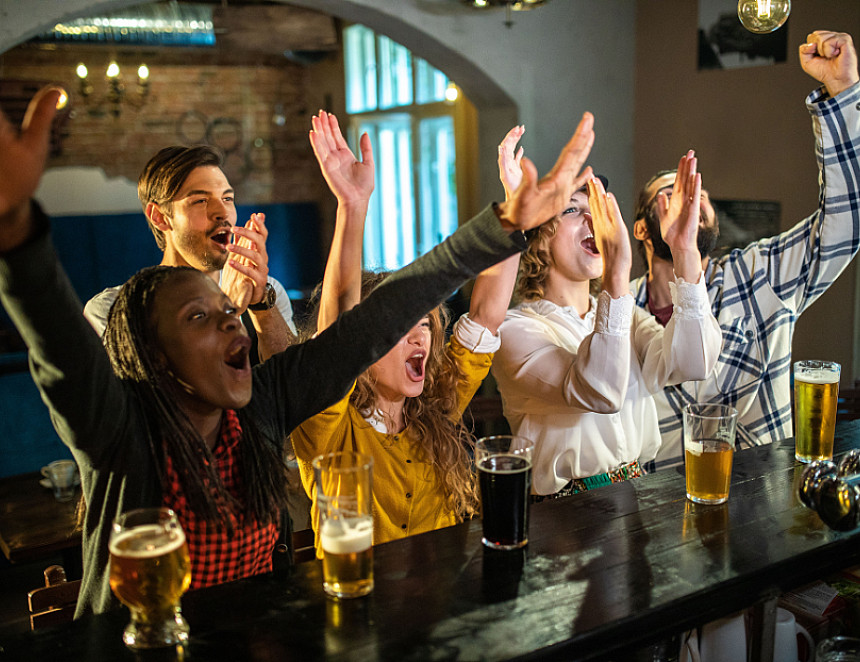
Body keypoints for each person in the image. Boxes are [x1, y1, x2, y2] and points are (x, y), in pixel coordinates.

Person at [0, 87, 595, 615]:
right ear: (155, 353)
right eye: (201, 317)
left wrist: (502, 227)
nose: (235, 328)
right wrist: (16, 231)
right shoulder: (120, 434)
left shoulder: (262, 408)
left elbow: (375, 320)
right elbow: (61, 352)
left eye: (231, 314)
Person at [630, 30, 860, 470]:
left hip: (766, 510)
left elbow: (846, 225)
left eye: (698, 193)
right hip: (659, 520)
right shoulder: (618, 310)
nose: (691, 201)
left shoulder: (758, 273)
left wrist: (845, 94)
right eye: (672, 194)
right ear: (642, 229)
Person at [291, 112, 518, 548]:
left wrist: (514, 209)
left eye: (425, 325)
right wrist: (352, 206)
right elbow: (337, 340)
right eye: (399, 330)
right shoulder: (330, 431)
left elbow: (486, 316)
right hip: (360, 603)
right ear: (365, 347)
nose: (420, 338)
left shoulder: (435, 406)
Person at [489, 128, 722, 498]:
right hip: (564, 515)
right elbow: (599, 393)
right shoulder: (515, 330)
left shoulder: (626, 316)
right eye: (572, 210)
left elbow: (694, 364)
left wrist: (684, 252)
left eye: (595, 211)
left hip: (637, 497)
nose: (592, 221)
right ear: (539, 236)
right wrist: (616, 275)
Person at [83, 144, 296, 364]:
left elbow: (292, 388)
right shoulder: (113, 310)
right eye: (200, 201)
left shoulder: (266, 292)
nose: (222, 213)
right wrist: (227, 309)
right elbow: (152, 393)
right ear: (160, 217)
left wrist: (262, 304)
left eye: (227, 199)